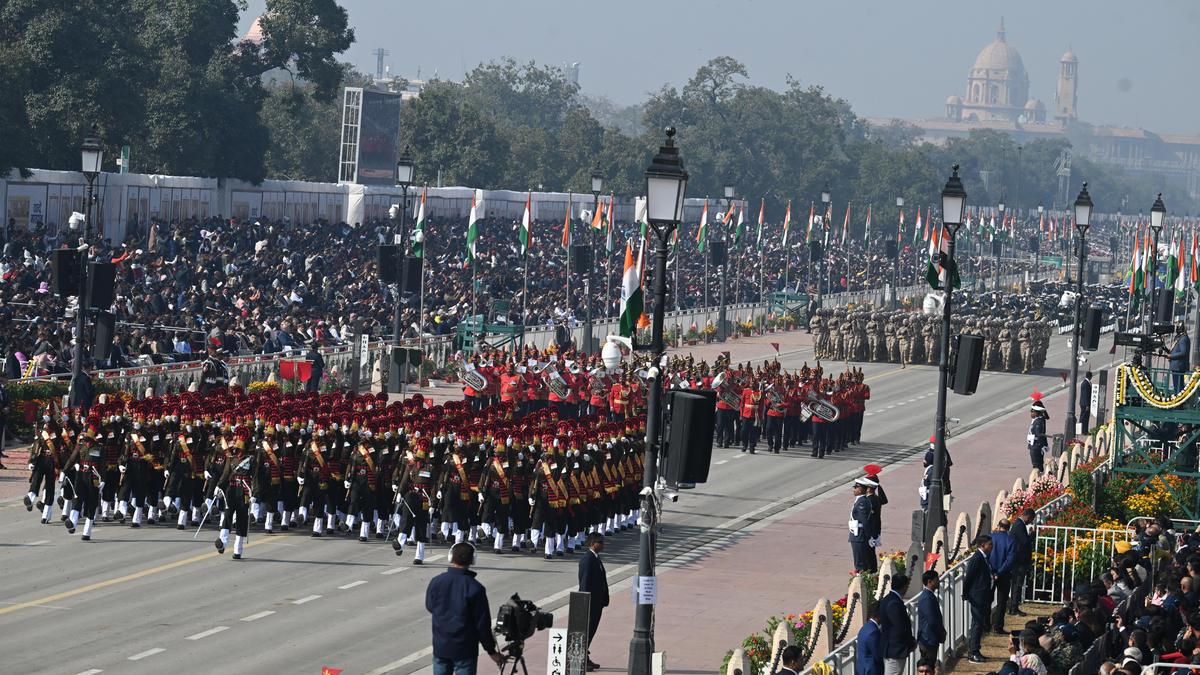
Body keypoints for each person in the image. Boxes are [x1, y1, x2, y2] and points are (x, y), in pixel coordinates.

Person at [426, 542, 503, 675]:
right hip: (465, 650)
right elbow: (482, 624)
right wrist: (491, 651)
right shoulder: (475, 588)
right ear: (472, 560)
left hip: (441, 647)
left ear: (451, 557)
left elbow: (430, 606)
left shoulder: (436, 582)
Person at [577, 532, 608, 672]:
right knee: (587, 631)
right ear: (592, 543)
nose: (602, 544)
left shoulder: (595, 557)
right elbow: (584, 583)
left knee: (591, 631)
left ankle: (585, 656)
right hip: (590, 603)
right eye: (599, 542)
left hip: (597, 603)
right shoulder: (588, 559)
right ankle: (582, 659)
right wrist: (585, 603)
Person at [963, 534, 994, 663]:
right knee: (977, 624)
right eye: (989, 545)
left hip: (983, 595)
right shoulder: (977, 558)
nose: (991, 547)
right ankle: (973, 651)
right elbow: (969, 577)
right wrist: (966, 594)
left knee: (979, 623)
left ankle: (975, 649)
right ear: (983, 545)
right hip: (977, 596)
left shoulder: (984, 557)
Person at [879, 572, 915, 674]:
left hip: (892, 648)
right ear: (904, 587)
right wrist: (911, 642)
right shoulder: (894, 603)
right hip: (895, 650)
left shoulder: (888, 599)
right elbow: (901, 627)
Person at [988, 520, 1016, 633]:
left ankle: (986, 625)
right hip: (1003, 574)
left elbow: (986, 555)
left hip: (990, 573)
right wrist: (1000, 572)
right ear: (1008, 528)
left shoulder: (991, 537)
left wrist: (992, 571)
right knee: (1002, 601)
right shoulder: (1011, 540)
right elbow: (1010, 560)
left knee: (987, 600)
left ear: (999, 526)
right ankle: (998, 626)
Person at [1009, 508, 1034, 617]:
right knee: (1017, 585)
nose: (1030, 522)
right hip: (1019, 561)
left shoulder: (1019, 524)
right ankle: (1013, 608)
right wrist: (1032, 534)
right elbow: (1025, 541)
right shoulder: (1019, 525)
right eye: (1030, 519)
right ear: (1027, 516)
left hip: (1019, 560)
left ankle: (1014, 606)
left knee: (1017, 585)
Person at [916, 570, 945, 664]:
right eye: (937, 579)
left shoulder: (929, 595)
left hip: (929, 638)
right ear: (930, 581)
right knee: (928, 666)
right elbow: (932, 620)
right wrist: (941, 633)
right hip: (928, 639)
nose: (939, 581)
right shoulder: (927, 598)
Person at [849, 477, 876, 572]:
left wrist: (869, 537)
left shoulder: (862, 502)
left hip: (859, 535)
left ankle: (861, 582)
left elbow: (865, 521)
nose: (854, 490)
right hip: (857, 534)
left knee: (860, 563)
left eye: (856, 488)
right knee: (859, 561)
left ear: (860, 489)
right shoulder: (860, 500)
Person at [855, 603, 884, 675]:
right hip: (871, 671)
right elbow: (878, 655)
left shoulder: (865, 627)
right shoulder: (874, 632)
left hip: (862, 669)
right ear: (878, 615)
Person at [1027, 396, 1049, 472]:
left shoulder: (1038, 422)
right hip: (1034, 445)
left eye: (1032, 411)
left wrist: (1042, 445)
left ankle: (1037, 481)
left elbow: (1039, 435)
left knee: (1037, 466)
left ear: (1036, 412)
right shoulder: (1037, 420)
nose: (1031, 412)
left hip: (1036, 446)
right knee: (1038, 465)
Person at [1171, 325, 1191, 391]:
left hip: (1179, 367)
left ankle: (1180, 400)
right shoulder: (1179, 338)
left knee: (1178, 388)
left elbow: (1183, 352)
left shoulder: (1183, 338)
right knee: (1176, 387)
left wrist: (1171, 356)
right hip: (1175, 366)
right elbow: (1173, 350)